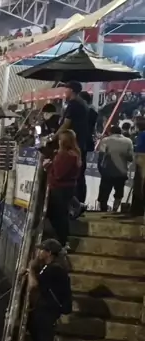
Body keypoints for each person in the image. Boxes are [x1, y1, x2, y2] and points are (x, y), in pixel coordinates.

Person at [25, 239, 72, 341]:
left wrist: (31, 268)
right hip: (46, 309)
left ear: (49, 253)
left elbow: (33, 284)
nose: (39, 252)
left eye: (42, 250)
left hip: (48, 311)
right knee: (35, 329)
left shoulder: (54, 269)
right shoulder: (51, 268)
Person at [43, 130, 81, 248]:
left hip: (59, 189)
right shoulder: (74, 154)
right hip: (66, 188)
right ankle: (62, 241)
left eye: (60, 140)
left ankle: (62, 242)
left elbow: (59, 174)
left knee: (58, 216)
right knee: (59, 215)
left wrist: (47, 166)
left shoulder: (65, 155)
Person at [58, 81, 91, 212]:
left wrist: (53, 137)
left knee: (71, 176)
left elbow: (66, 124)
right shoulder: (82, 104)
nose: (64, 92)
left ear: (71, 90)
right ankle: (78, 204)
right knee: (79, 175)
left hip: (74, 143)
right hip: (80, 143)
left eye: (66, 89)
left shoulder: (74, 104)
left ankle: (75, 206)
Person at [97, 125, 134, 212]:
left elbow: (101, 156)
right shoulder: (128, 141)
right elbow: (130, 158)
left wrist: (101, 170)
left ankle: (103, 210)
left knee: (104, 194)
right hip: (121, 172)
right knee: (119, 193)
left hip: (107, 172)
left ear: (110, 132)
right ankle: (115, 210)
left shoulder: (106, 140)